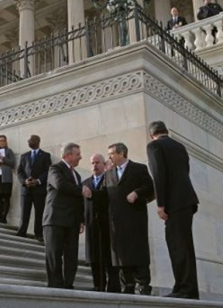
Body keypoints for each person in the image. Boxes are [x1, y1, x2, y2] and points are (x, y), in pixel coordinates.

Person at [84, 143, 154, 295]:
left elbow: (150, 187)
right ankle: (128, 284)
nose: (109, 157)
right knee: (121, 255)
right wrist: (91, 194)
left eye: (111, 154)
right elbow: (103, 195)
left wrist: (136, 193)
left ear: (121, 153)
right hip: (116, 222)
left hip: (135, 220)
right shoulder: (108, 174)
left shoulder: (139, 169)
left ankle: (144, 285)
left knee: (138, 252)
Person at [146, 121, 199, 300]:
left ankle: (184, 289)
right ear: (166, 131)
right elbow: (185, 170)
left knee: (178, 246)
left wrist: (160, 204)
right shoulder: (179, 146)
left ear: (151, 134)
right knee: (185, 246)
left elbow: (158, 174)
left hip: (174, 203)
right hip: (187, 200)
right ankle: (188, 288)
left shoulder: (154, 146)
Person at [42, 142, 84, 289]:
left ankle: (68, 284)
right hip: (55, 219)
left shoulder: (77, 175)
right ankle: (55, 284)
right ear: (67, 155)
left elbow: (79, 200)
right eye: (77, 154)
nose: (80, 157)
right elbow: (60, 185)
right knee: (54, 253)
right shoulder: (55, 169)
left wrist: (81, 220)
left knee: (72, 255)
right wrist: (81, 190)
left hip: (72, 221)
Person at [83, 154, 120, 293]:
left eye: (97, 162)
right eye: (92, 163)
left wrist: (92, 193)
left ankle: (113, 287)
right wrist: (81, 221)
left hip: (108, 226)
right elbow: (82, 205)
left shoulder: (111, 180)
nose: (94, 165)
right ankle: (98, 285)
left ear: (104, 164)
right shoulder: (85, 183)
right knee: (94, 257)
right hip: (92, 226)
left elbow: (107, 196)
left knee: (110, 257)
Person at [16, 135, 52, 241]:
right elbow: (19, 172)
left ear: (37, 141)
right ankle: (22, 231)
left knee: (39, 212)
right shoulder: (24, 156)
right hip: (26, 189)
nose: (28, 141)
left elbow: (48, 171)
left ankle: (38, 234)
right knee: (24, 211)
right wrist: (24, 181)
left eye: (30, 140)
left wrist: (38, 181)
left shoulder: (45, 155)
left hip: (39, 189)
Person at [0, 135, 16, 223]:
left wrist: (3, 158)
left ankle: (4, 216)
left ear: (6, 142)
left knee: (6, 196)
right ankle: (0, 216)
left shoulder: (9, 151)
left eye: (3, 141)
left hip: (6, 177)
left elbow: (13, 163)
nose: (1, 142)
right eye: (0, 141)